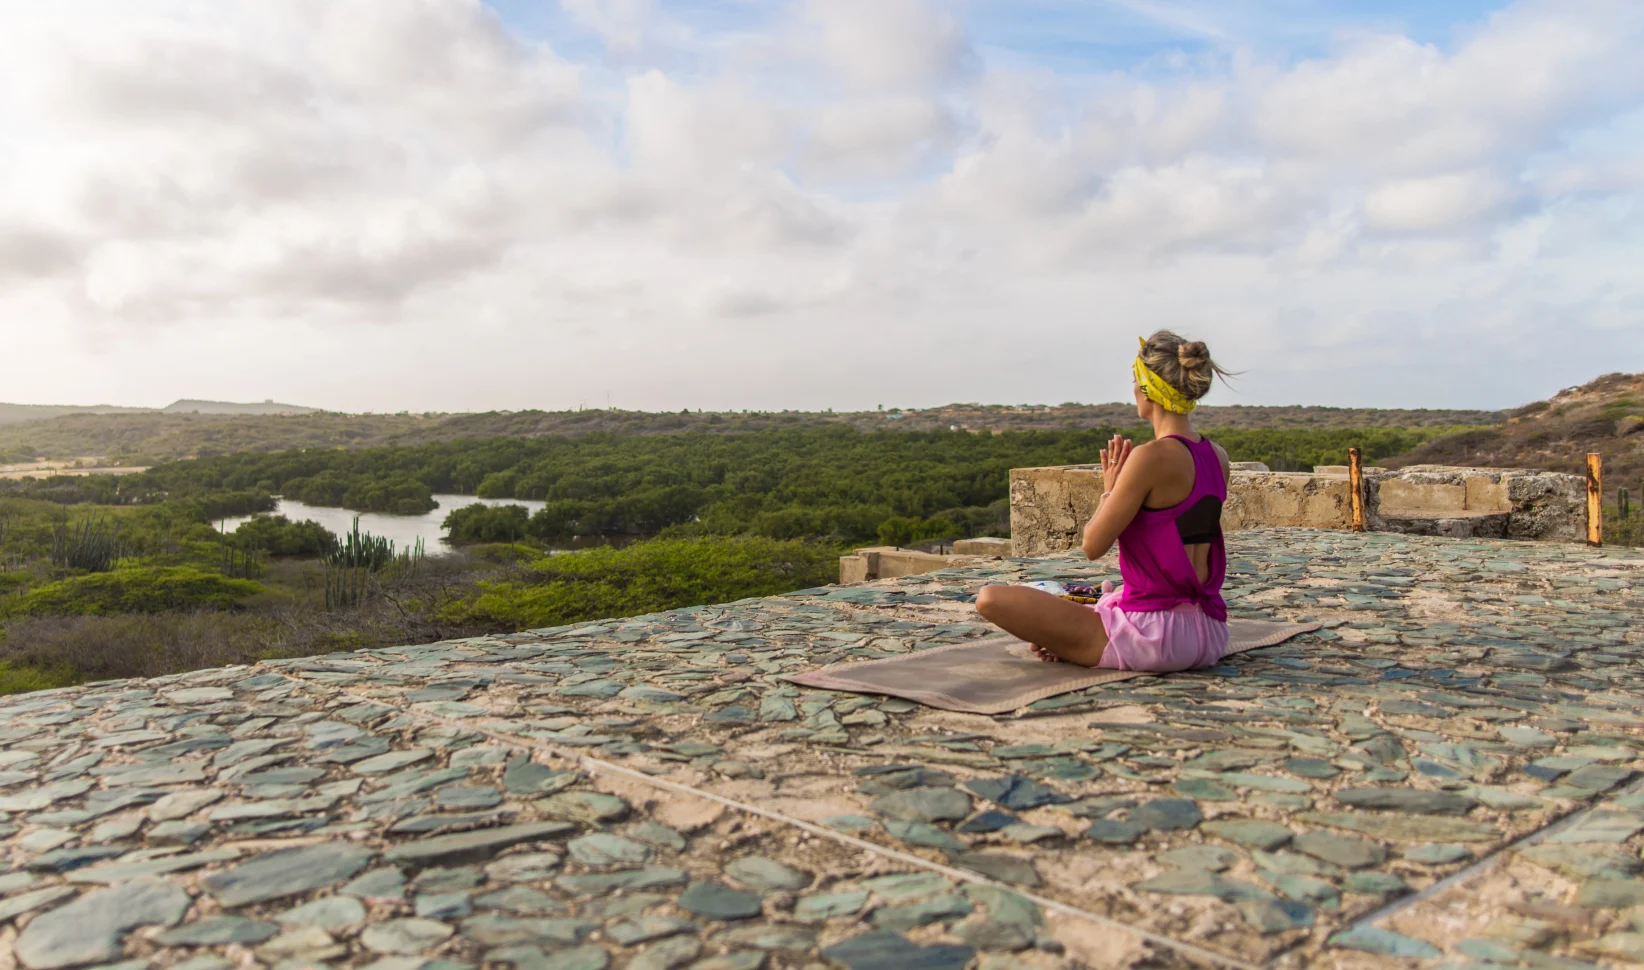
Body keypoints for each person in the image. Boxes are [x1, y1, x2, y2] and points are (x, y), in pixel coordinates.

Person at [975, 330, 1233, 670]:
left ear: (1147, 389)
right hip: (1209, 631)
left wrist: (1111, 489)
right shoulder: (1218, 456)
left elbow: (1092, 545)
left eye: (1134, 381)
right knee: (1103, 597)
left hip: (1154, 636)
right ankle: (1076, 637)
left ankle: (1074, 642)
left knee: (990, 598)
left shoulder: (1149, 457)